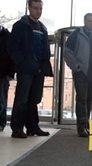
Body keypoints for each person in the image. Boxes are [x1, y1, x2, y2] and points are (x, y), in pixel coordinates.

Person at [8, 0, 53, 138]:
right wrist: (21, 62)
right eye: (35, 8)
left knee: (34, 99)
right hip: (26, 69)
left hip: (39, 69)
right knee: (22, 98)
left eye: (40, 8)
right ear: (29, 8)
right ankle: (17, 128)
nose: (38, 11)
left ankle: (33, 127)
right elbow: (12, 47)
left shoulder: (43, 28)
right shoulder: (20, 26)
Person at [64, 13, 92, 137]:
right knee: (81, 99)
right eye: (89, 21)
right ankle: (81, 127)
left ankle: (88, 124)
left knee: (91, 100)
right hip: (81, 72)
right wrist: (76, 66)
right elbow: (67, 51)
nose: (91, 23)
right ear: (84, 21)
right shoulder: (76, 34)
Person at [0, 26, 14, 132]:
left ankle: (1, 123)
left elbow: (12, 56)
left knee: (1, 100)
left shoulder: (7, 36)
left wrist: (10, 73)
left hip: (3, 74)